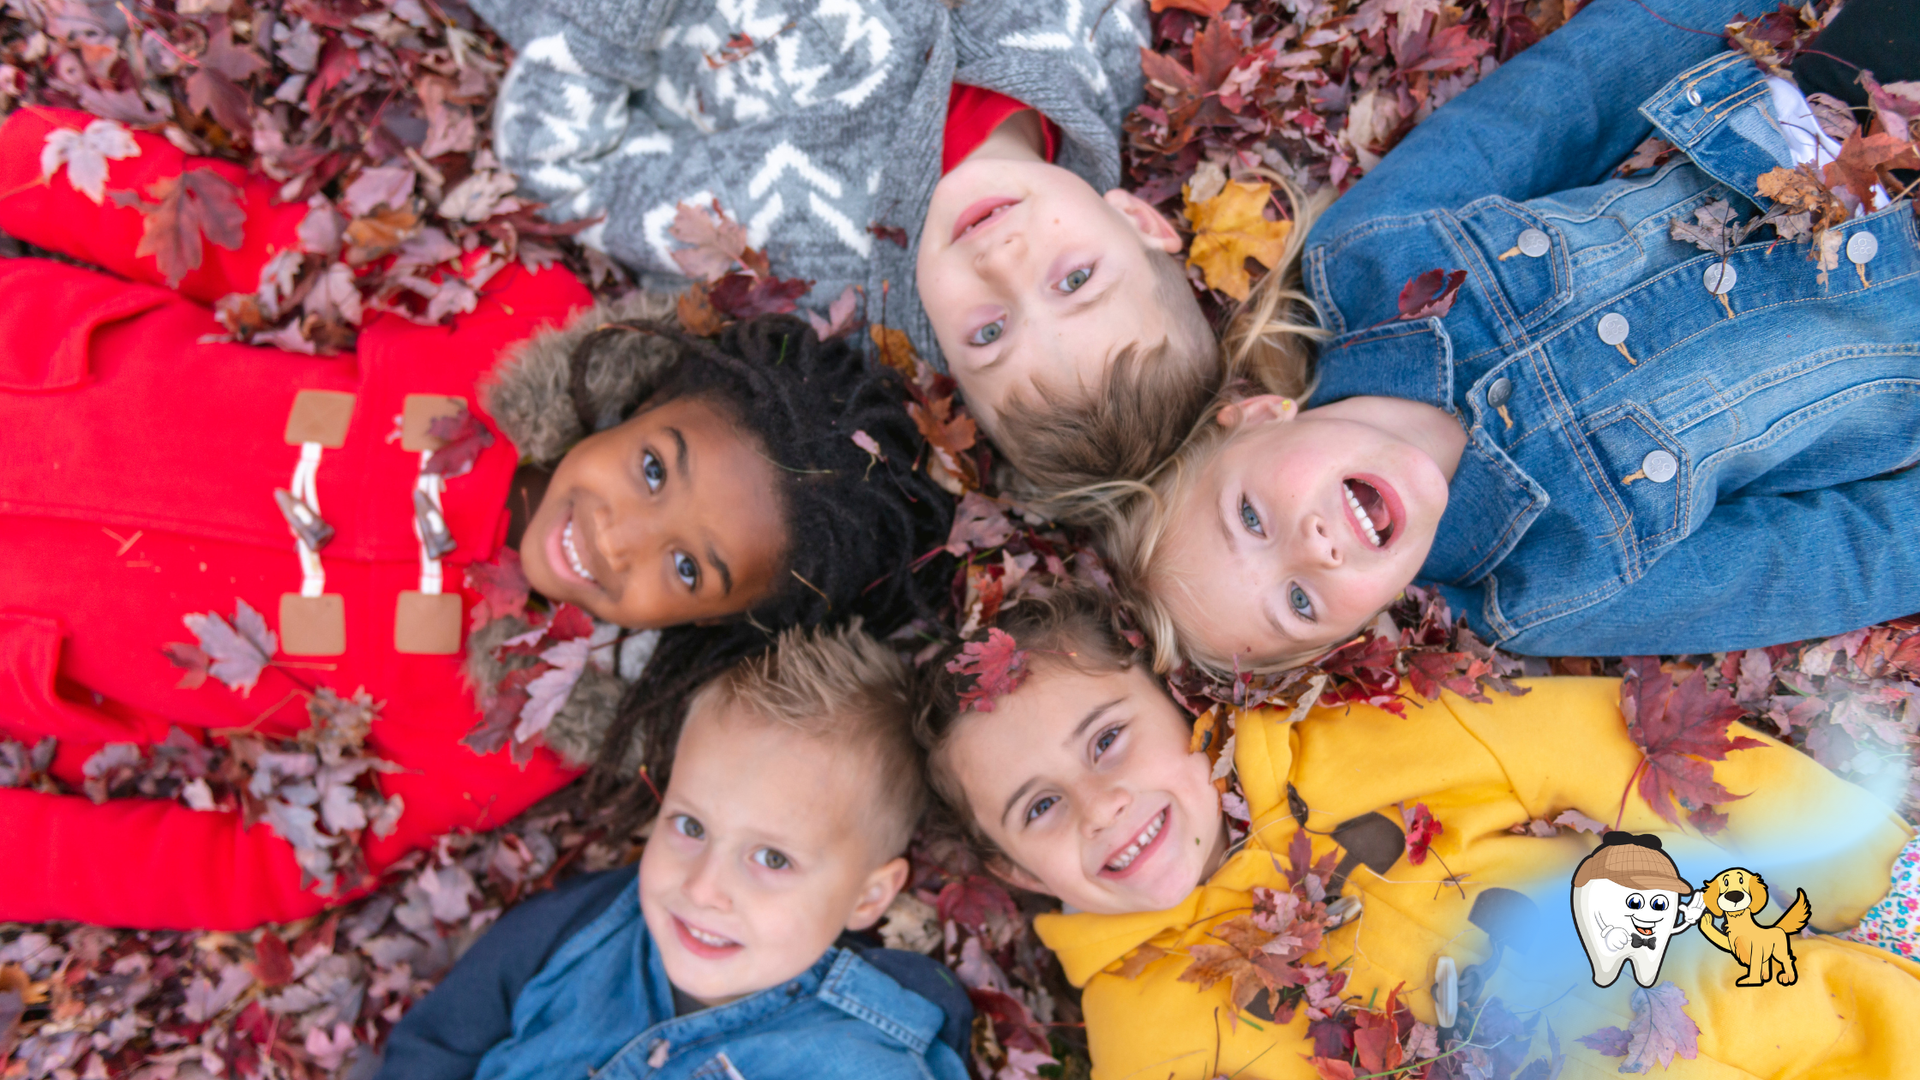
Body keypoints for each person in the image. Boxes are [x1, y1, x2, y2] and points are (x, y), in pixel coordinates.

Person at [0, 106, 952, 930]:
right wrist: (21, 157)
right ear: (655, 394)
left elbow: (263, 866)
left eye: (689, 570)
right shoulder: (507, 318)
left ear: (710, 625)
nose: (620, 538)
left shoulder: (502, 738)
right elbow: (257, 239)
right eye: (655, 467)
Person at [1100, 0, 1920, 670]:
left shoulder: (1370, 257)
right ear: (1356, 632)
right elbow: (1828, 559)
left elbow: (1577, 95)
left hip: (1828, 126)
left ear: (1254, 417)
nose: (1310, 548)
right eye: (1299, 603)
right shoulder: (1549, 588)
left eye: (1248, 518)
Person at [911, 588, 1920, 1080]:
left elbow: (1619, 760)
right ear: (1010, 868)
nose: (1101, 805)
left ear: (1178, 710)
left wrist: (1878, 876)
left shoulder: (1362, 737)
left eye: (1108, 739)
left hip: (1825, 1031)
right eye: (1039, 808)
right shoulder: (1139, 1035)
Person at [467, 0, 1235, 482]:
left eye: (991, 331)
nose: (1005, 266)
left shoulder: (802, 263)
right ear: (1139, 220)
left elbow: (563, 161)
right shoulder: (1090, 44)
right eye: (1073, 281)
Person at [377, 622, 971, 1080]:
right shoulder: (585, 929)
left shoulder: (867, 1059)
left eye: (772, 859)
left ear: (867, 897)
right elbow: (435, 1047)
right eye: (690, 826)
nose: (702, 888)